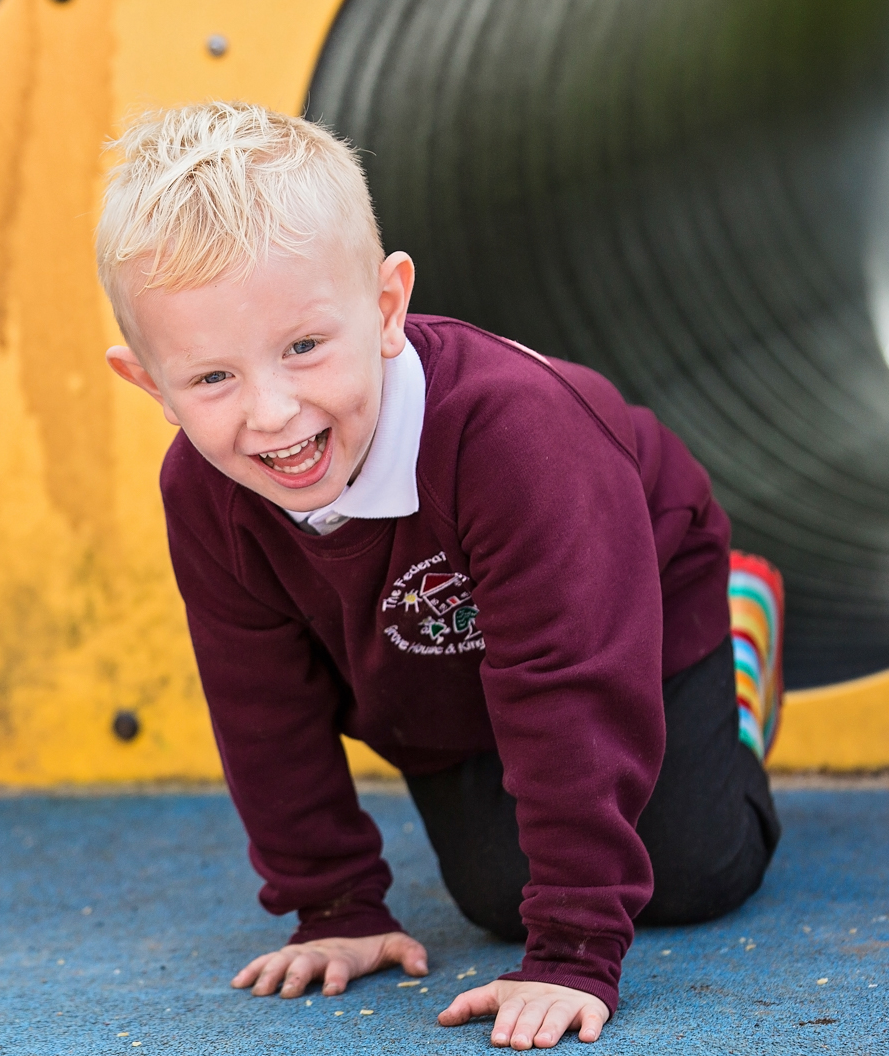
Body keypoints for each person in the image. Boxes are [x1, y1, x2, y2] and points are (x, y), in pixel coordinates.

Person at [97, 102, 784, 1049]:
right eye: (212, 379)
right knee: (500, 894)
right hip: (430, 655)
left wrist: (574, 950)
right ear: (151, 386)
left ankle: (742, 644)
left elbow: (566, 681)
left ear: (386, 310)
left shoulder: (517, 439)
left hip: (631, 599)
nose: (272, 413)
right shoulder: (208, 491)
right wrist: (334, 904)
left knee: (700, 872)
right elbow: (259, 699)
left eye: (304, 347)